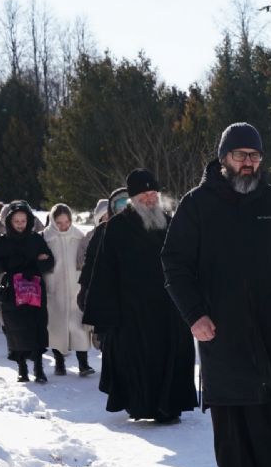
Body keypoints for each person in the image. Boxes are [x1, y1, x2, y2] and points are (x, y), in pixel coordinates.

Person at [163, 124, 271, 467]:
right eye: (240, 155)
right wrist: (194, 314)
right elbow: (175, 264)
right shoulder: (197, 205)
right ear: (223, 158)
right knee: (234, 418)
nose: (248, 162)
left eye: (255, 155)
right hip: (221, 327)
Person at [83, 170, 197, 421]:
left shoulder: (170, 223)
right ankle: (141, 406)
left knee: (171, 357)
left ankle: (169, 408)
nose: (149, 199)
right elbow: (104, 272)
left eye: (153, 194)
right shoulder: (116, 227)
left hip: (169, 307)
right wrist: (105, 317)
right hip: (132, 311)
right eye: (143, 195)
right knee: (138, 360)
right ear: (133, 198)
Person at [0, 200, 54, 383]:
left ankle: (39, 368)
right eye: (16, 221)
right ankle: (22, 367)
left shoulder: (36, 239)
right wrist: (8, 264)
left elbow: (49, 261)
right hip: (12, 292)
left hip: (35, 290)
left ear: (29, 221)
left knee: (37, 327)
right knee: (17, 329)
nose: (20, 224)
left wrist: (38, 264)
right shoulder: (2, 242)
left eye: (23, 221)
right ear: (9, 221)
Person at [44, 203, 94, 376]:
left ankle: (83, 363)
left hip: (75, 288)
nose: (64, 226)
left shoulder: (79, 237)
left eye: (67, 222)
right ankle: (59, 362)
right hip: (55, 288)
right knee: (56, 327)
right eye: (59, 222)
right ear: (53, 221)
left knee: (79, 327)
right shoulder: (46, 238)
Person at [77, 187, 128, 314]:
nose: (123, 212)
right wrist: (84, 288)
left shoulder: (146, 230)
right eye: (119, 208)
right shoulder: (102, 230)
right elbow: (90, 260)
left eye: (127, 207)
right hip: (106, 291)